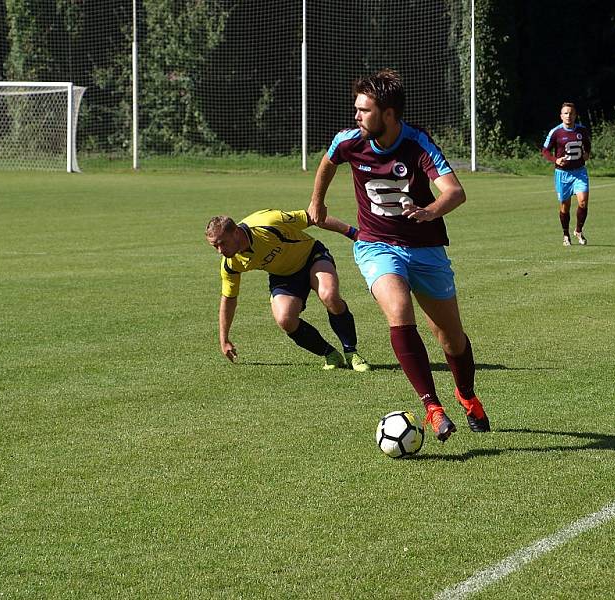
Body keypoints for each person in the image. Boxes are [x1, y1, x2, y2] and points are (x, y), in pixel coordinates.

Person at [307, 69, 490, 442]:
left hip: (426, 249)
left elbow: (454, 192)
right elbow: (328, 161)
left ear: (388, 114)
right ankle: (432, 408)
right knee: (398, 310)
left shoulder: (418, 143)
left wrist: (430, 211)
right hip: (376, 244)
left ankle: (466, 395)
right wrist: (317, 203)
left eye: (365, 110)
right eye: (356, 108)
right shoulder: (348, 141)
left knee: (451, 338)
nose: (356, 116)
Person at [205, 209, 370, 372]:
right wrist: (224, 338)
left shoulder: (268, 223)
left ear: (235, 232)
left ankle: (351, 353)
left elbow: (314, 216)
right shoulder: (231, 263)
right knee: (285, 319)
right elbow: (229, 298)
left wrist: (354, 234)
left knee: (330, 296)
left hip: (312, 257)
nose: (220, 251)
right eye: (215, 246)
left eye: (222, 243)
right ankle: (331, 354)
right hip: (283, 276)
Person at [541, 102, 592, 246]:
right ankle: (565, 234)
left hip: (579, 172)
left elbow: (587, 144)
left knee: (583, 201)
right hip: (562, 174)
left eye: (571, 113)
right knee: (565, 206)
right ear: (561, 116)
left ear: (575, 115)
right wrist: (555, 160)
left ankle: (579, 231)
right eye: (566, 113)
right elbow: (545, 151)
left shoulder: (581, 130)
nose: (568, 116)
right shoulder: (556, 132)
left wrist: (587, 153)